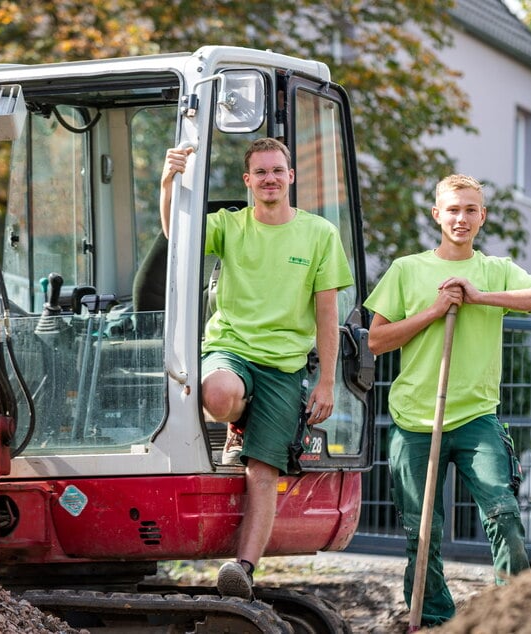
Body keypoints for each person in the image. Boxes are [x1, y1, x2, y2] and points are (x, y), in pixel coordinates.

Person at [363, 173, 531, 627]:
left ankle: (510, 615)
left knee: (504, 513)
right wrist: (434, 311)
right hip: (416, 419)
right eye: (453, 209)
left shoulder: (496, 269)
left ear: (482, 216)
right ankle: (433, 618)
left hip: (476, 417)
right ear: (437, 215)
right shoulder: (406, 270)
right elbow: (376, 341)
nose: (461, 218)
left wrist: (479, 297)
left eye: (470, 209)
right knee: (422, 533)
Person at [160, 137, 354, 600]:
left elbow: (327, 315)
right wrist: (169, 181)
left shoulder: (319, 234)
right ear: (248, 181)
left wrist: (326, 381)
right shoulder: (230, 226)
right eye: (260, 172)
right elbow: (176, 236)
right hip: (233, 347)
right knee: (218, 394)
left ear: (291, 177)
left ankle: (243, 569)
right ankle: (238, 422)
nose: (270, 179)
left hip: (285, 366)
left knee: (263, 473)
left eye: (277, 171)